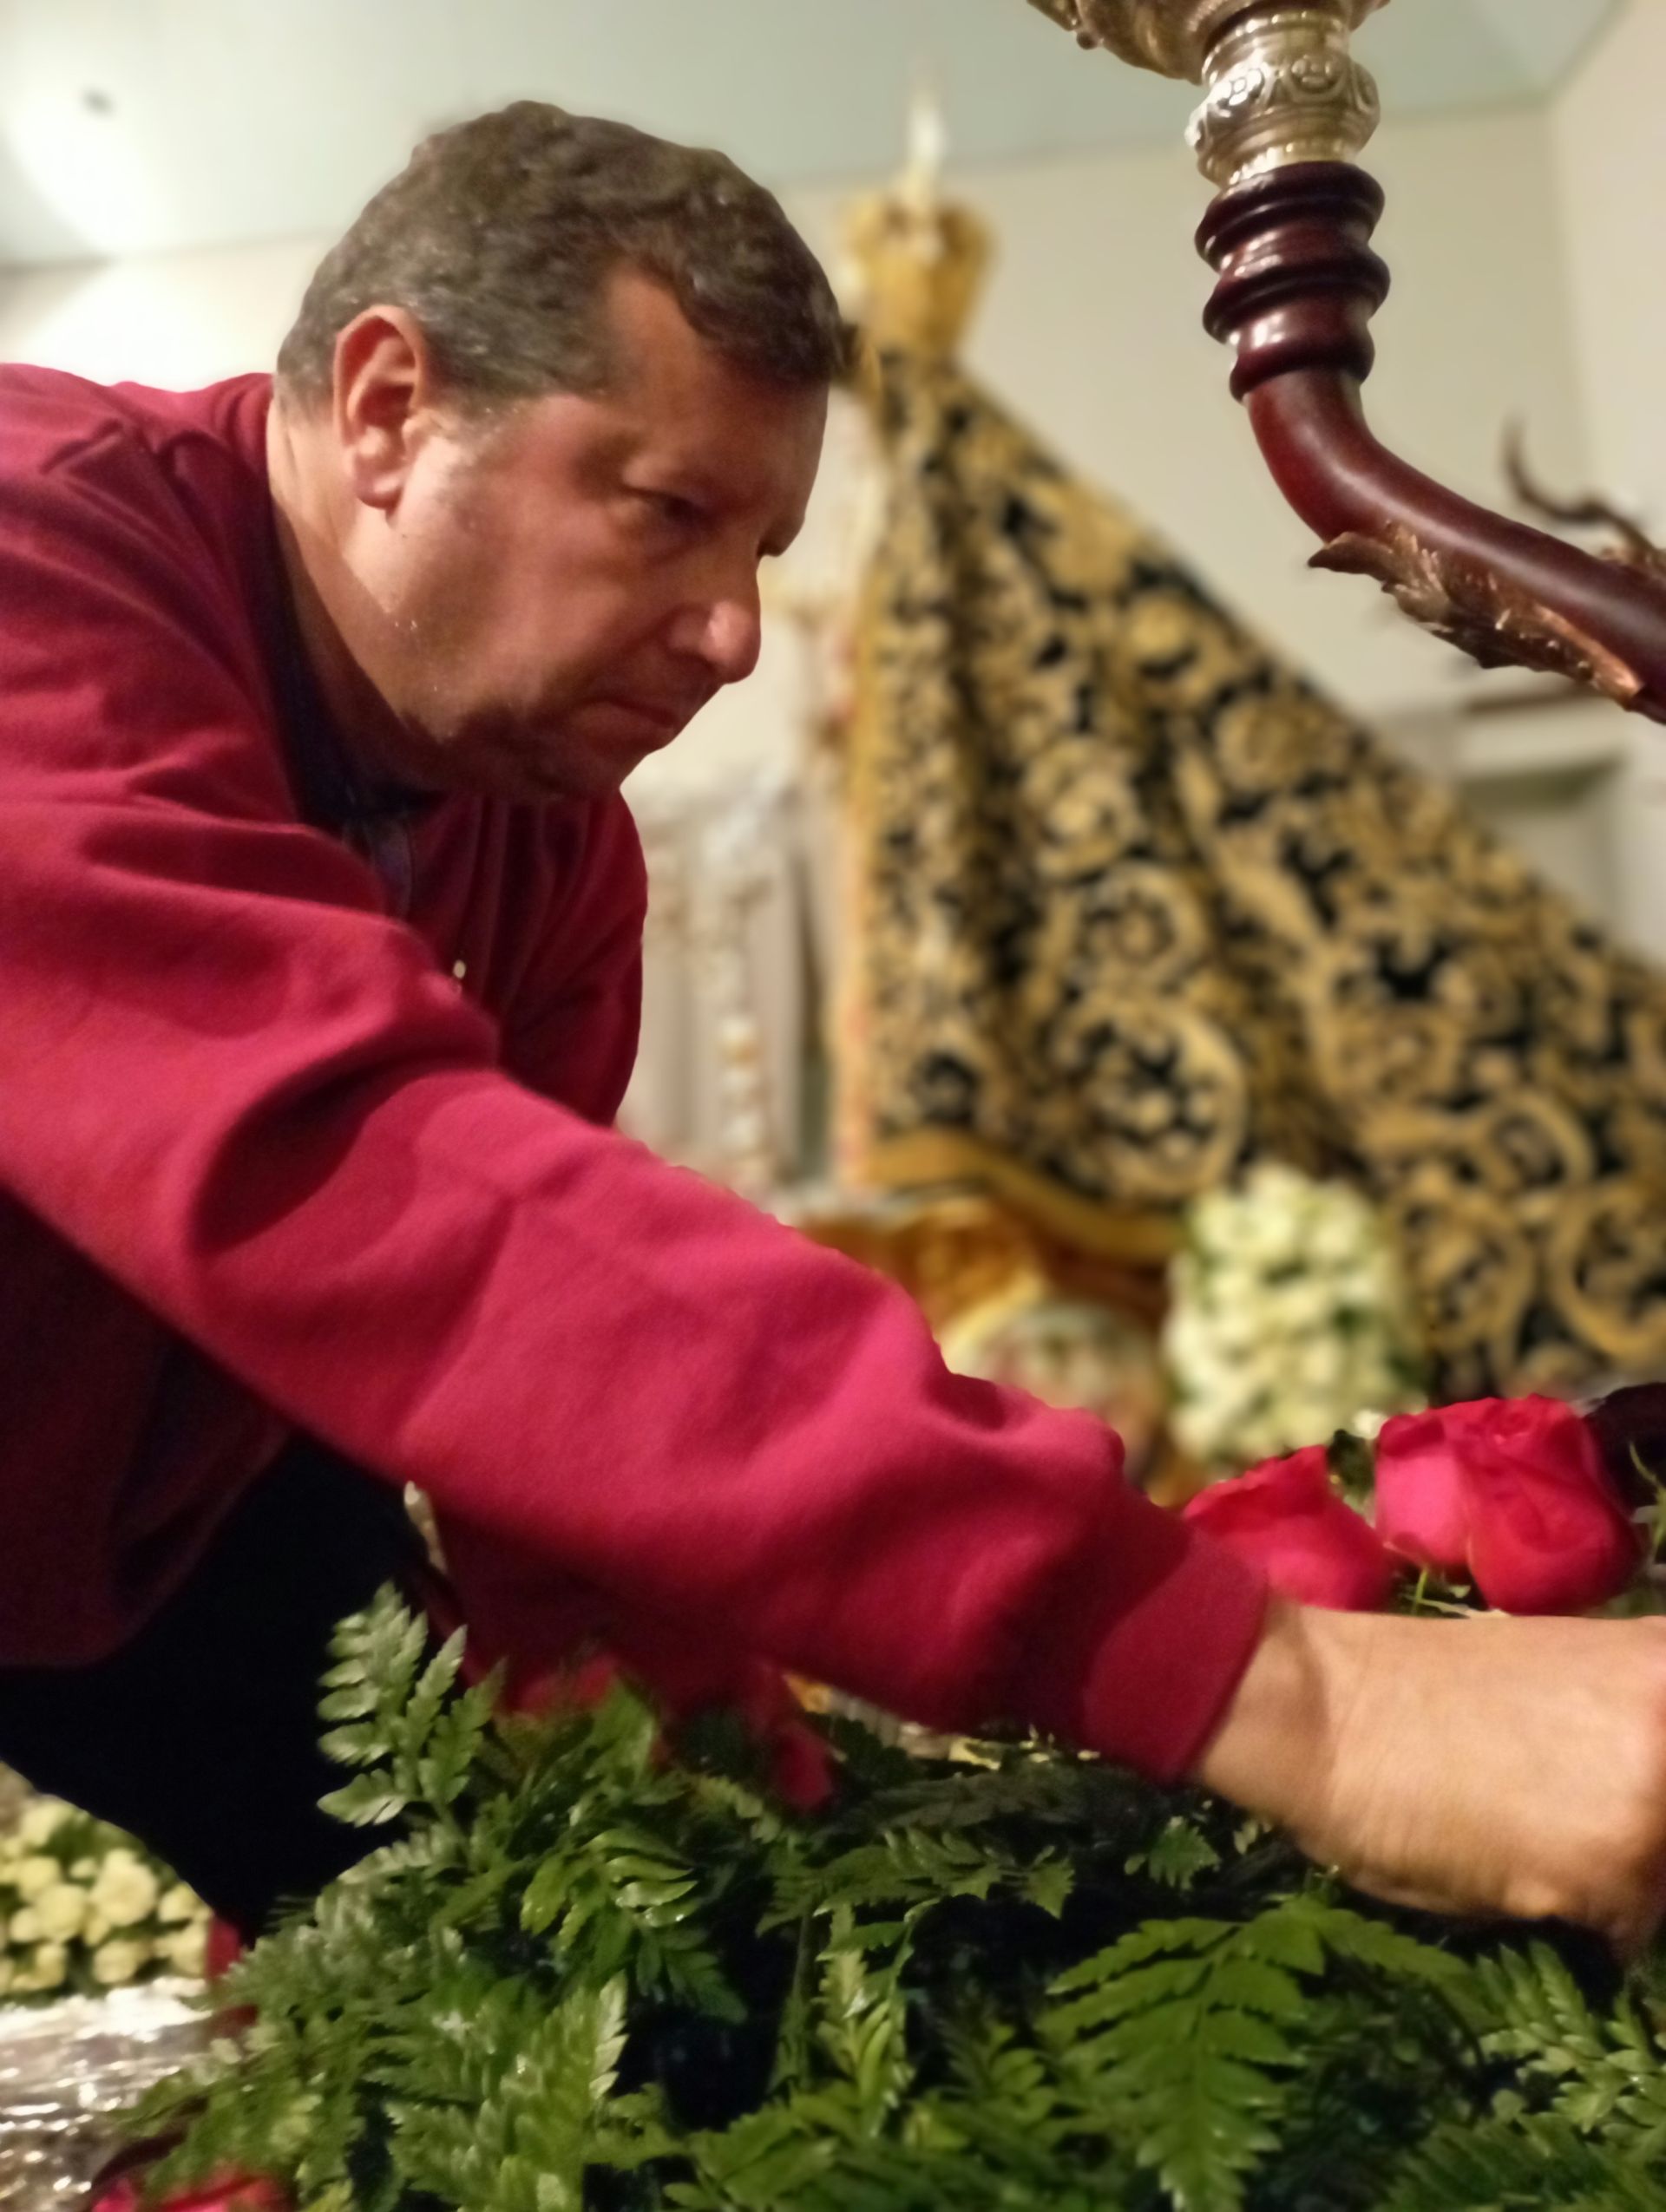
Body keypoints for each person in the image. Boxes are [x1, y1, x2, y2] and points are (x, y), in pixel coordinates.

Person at [0, 101, 1663, 1951]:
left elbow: (553, 1425)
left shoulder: (551, 847)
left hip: (183, 1517)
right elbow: (367, 1175)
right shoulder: (33, 566)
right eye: (668, 514)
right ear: (389, 410)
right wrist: (1295, 1694)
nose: (735, 635)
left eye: (768, 547)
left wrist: (745, 1838)